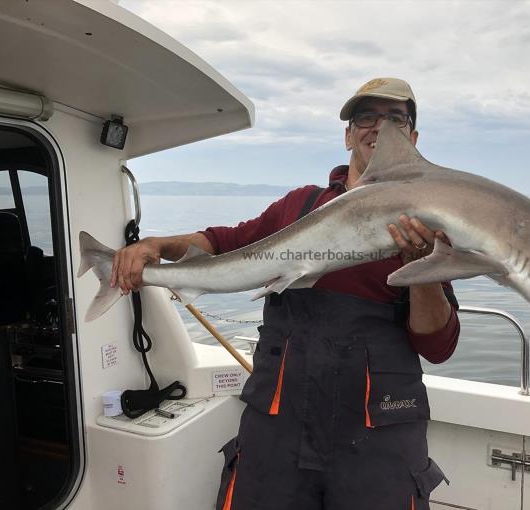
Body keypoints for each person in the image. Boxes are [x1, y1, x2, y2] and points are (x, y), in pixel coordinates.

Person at [111, 77, 460, 510]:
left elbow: (438, 345)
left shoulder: (429, 222)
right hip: (279, 424)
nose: (380, 128)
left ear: (413, 137)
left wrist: (420, 265)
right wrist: (157, 247)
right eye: (365, 117)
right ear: (348, 134)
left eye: (395, 119)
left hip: (379, 433)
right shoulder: (301, 206)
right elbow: (223, 243)